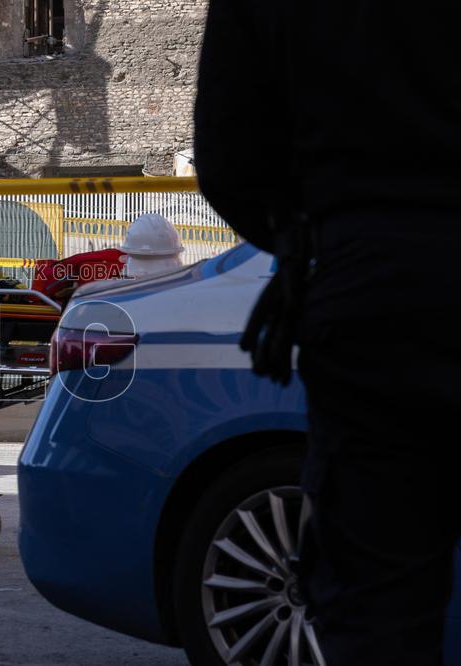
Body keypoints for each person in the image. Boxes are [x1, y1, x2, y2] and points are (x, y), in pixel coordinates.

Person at [194, 3, 461, 665]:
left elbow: (229, 157)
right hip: (371, 288)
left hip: (375, 302)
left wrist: (318, 241)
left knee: (378, 603)